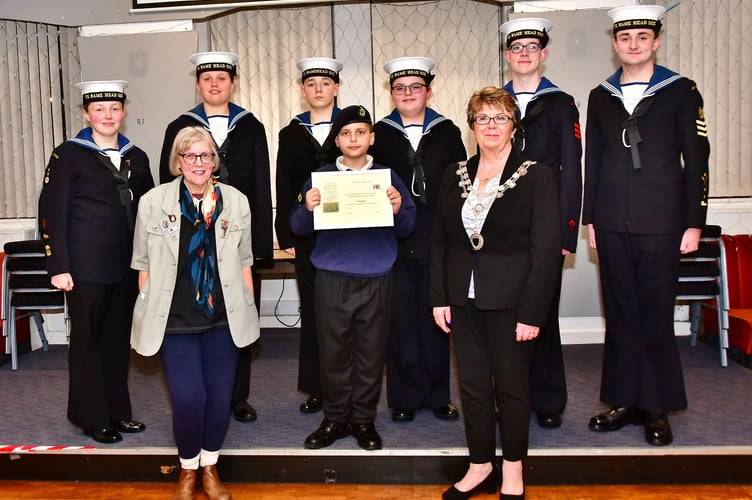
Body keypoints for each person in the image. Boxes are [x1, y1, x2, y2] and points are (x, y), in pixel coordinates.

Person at [583, 4, 710, 447]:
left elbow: (696, 160)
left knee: (655, 317)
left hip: (663, 223)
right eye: (625, 38)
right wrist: (591, 219)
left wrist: (694, 222)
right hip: (612, 221)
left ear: (656, 41)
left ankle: (656, 408)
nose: (633, 44)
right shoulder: (600, 95)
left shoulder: (680, 90)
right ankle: (622, 400)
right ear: (615, 44)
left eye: (642, 37)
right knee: (619, 315)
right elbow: (593, 159)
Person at [430, 87, 561, 499]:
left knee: (511, 386)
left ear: (513, 125)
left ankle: (513, 468)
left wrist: (533, 313)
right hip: (462, 299)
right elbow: (440, 242)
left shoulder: (536, 175)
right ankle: (480, 463)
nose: (491, 126)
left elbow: (545, 251)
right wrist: (439, 297)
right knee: (471, 386)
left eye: (500, 117)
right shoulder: (454, 174)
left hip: (513, 301)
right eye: (483, 118)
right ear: (471, 125)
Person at [131, 126, 260, 499]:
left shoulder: (236, 201)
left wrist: (247, 307)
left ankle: (210, 467)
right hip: (174, 321)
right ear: (178, 161)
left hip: (223, 319)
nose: (198, 163)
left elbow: (245, 261)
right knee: (190, 399)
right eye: (190, 156)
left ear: (214, 160)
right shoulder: (153, 202)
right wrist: (151, 303)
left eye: (205, 156)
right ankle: (188, 468)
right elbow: (143, 263)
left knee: (219, 399)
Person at [290, 105, 416, 451]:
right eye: (345, 133)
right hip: (332, 277)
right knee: (333, 353)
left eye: (360, 132)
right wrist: (308, 207)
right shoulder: (321, 178)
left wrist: (396, 209)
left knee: (371, 353)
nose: (353, 139)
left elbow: (407, 227)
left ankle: (362, 420)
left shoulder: (389, 178)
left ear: (371, 138)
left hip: (377, 277)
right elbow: (297, 227)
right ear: (336, 139)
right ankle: (334, 419)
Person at [159, 51, 273, 424]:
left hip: (235, 240)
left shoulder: (251, 125)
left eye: (222, 78)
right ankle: (203, 395)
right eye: (207, 78)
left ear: (232, 83)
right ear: (198, 84)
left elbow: (261, 185)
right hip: (191, 240)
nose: (214, 84)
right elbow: (166, 184)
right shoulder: (180, 126)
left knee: (237, 318)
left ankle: (237, 398)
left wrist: (259, 248)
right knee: (196, 320)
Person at [38, 80, 153, 444]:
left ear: (123, 112)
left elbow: (150, 210)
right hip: (84, 268)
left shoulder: (138, 156)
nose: (107, 115)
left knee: (118, 342)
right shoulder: (68, 154)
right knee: (87, 342)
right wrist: (58, 265)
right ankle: (91, 416)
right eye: (99, 109)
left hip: (125, 267)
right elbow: (52, 211)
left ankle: (119, 412)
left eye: (114, 109)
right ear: (86, 113)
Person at [370, 56, 466, 423]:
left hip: (437, 240)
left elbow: (461, 183)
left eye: (415, 87)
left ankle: (438, 395)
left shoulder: (448, 131)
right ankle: (403, 397)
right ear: (391, 92)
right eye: (399, 88)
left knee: (437, 318)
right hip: (393, 241)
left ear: (428, 90)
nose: (407, 94)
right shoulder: (379, 133)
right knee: (400, 320)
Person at [500, 17, 583, 429]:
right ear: (507, 55)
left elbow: (572, 169)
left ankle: (548, 398)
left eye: (532, 47)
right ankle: (510, 397)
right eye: (517, 48)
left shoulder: (561, 102)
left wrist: (568, 231)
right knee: (504, 315)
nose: (524, 54)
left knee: (543, 312)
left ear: (543, 55)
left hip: (547, 226)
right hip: (503, 228)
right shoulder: (494, 103)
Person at [275, 57, 343, 415]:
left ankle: (347, 387)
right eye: (311, 84)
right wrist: (285, 229)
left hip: (347, 235)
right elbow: (284, 183)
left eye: (325, 84)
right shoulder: (290, 132)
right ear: (303, 90)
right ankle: (317, 388)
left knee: (346, 314)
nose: (318, 90)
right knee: (314, 311)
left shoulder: (352, 127)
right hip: (307, 234)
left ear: (336, 88)